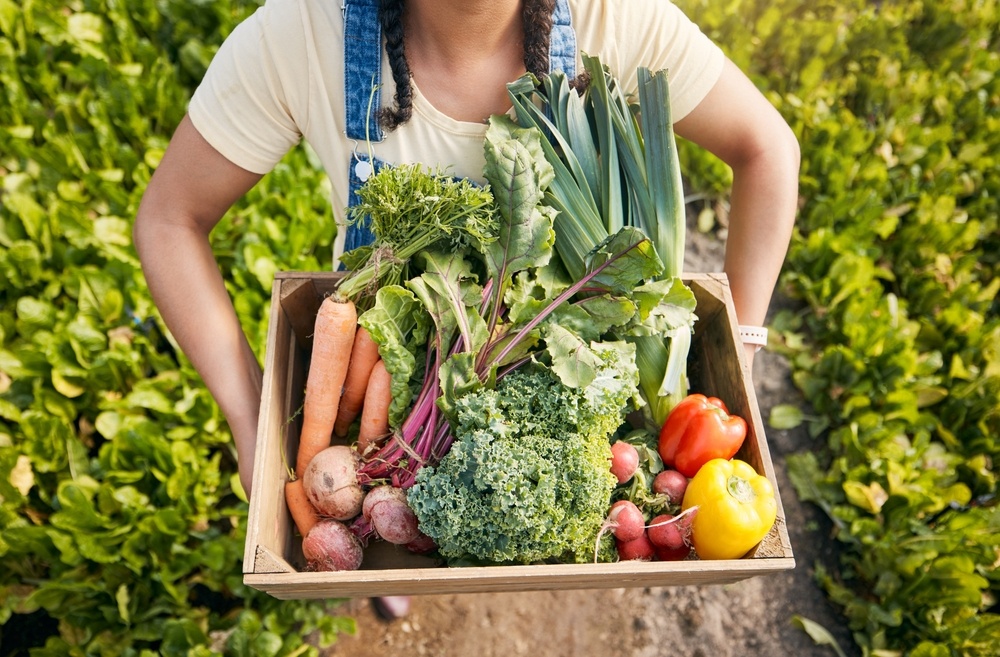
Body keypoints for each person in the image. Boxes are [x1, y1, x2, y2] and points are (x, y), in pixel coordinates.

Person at [133, 0, 799, 620]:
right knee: (381, 504)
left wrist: (738, 347)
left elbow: (768, 148)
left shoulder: (614, 20)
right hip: (379, 374)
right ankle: (386, 546)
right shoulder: (304, 30)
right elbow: (169, 219)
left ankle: (397, 526)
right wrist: (251, 420)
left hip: (555, 369)